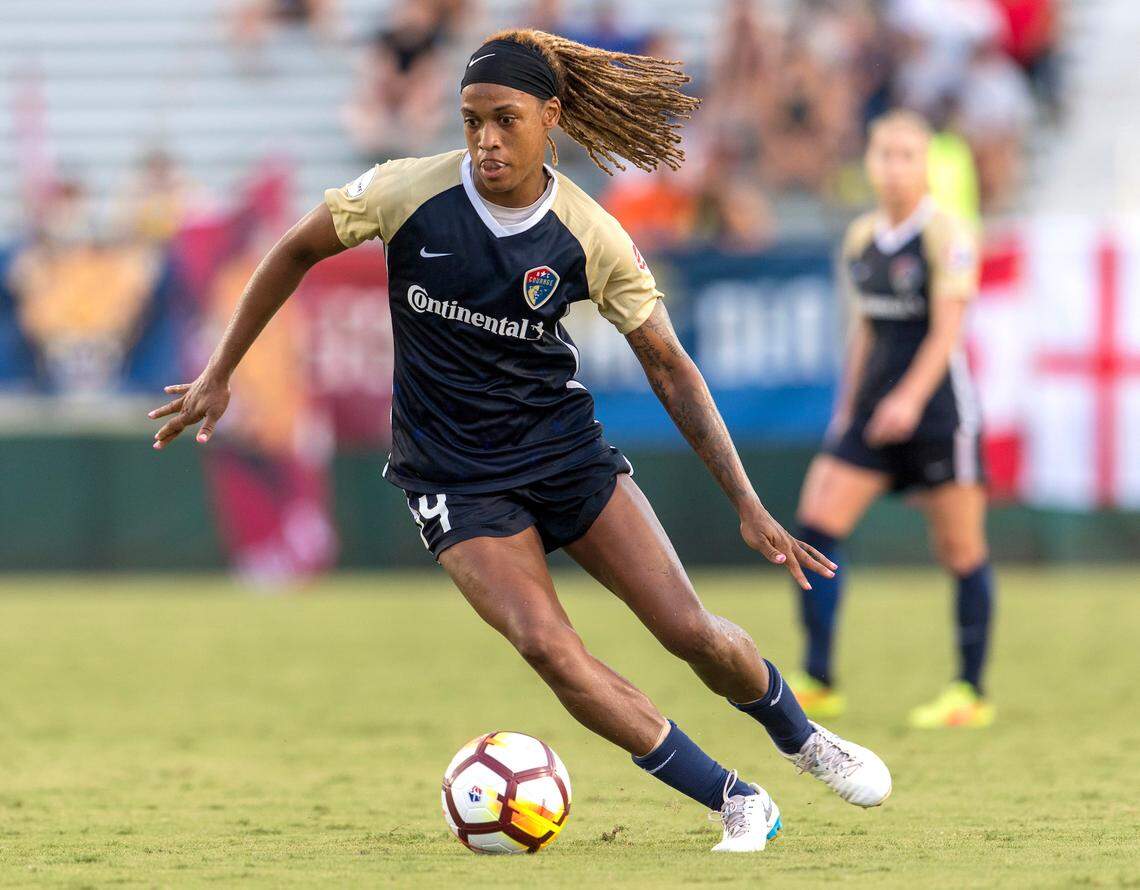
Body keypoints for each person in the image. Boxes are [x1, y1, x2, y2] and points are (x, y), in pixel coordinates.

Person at [149, 30, 891, 852]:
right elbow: (292, 250)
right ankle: (735, 799)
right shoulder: (406, 193)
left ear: (551, 118)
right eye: (471, 121)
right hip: (453, 478)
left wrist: (747, 504)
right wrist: (221, 371)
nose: (486, 140)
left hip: (566, 456)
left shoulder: (588, 233)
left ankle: (803, 738)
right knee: (549, 647)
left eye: (505, 120)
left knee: (693, 633)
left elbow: (673, 371)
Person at [790, 110, 995, 729]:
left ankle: (969, 691)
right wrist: (847, 407)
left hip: (936, 413)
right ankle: (820, 679)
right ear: (870, 163)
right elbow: (866, 332)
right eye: (885, 154)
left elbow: (947, 331)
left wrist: (908, 399)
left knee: (961, 549)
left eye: (908, 155)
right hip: (874, 413)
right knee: (815, 525)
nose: (895, 166)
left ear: (926, 163)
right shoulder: (860, 239)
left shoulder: (946, 233)